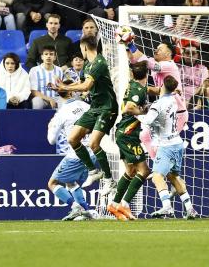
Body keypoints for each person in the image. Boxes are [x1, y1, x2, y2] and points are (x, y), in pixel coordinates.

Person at [51, 35, 118, 194]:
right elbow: (80, 84)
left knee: (94, 143)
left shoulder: (99, 63)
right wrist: (61, 87)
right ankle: (93, 171)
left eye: (81, 48)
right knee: (73, 138)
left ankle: (109, 180)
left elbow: (86, 85)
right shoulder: (87, 65)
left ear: (85, 48)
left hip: (107, 108)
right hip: (95, 108)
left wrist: (65, 89)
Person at [141, 76, 198, 219]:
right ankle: (190, 209)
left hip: (166, 145)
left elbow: (146, 122)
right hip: (177, 142)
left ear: (161, 86)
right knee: (174, 176)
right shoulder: (173, 100)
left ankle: (167, 207)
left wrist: (137, 113)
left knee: (157, 176)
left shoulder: (158, 104)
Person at [46, 79, 97, 221]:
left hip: (77, 154)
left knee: (53, 183)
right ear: (72, 91)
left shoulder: (61, 114)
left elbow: (51, 140)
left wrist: (50, 126)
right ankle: (86, 211)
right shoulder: (86, 106)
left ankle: (75, 207)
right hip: (93, 151)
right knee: (70, 182)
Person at [106, 61, 150, 221]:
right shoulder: (138, 89)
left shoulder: (133, 85)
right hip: (128, 134)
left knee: (130, 171)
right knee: (144, 171)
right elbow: (129, 108)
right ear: (147, 74)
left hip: (123, 133)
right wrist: (144, 112)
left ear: (132, 74)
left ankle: (114, 204)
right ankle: (124, 204)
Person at [29, 45, 64, 109]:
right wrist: (49, 99)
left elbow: (62, 89)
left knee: (64, 102)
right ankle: (36, 119)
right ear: (42, 57)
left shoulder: (59, 70)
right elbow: (33, 91)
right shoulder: (34, 70)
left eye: (51, 54)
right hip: (41, 98)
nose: (48, 56)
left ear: (55, 57)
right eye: (46, 54)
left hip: (57, 98)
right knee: (36, 101)